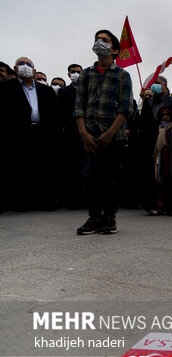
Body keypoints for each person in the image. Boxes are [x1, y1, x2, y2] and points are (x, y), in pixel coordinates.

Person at [74, 29, 133, 235]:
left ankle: (109, 217)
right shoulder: (85, 74)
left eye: (105, 40)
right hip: (89, 137)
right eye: (97, 39)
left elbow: (125, 108)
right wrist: (83, 133)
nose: (100, 43)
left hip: (113, 138)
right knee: (90, 177)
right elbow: (79, 104)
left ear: (115, 49)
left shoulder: (123, 75)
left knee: (111, 178)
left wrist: (109, 134)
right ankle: (93, 217)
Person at [0, 56, 57, 211]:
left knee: (43, 167)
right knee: (20, 168)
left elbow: (54, 114)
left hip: (42, 133)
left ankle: (45, 201)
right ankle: (21, 203)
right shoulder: (5, 88)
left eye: (28, 64)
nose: (25, 66)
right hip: (18, 134)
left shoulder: (46, 89)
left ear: (34, 70)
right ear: (15, 68)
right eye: (21, 64)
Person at [139, 76, 172, 216]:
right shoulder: (148, 103)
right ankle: (155, 204)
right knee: (155, 176)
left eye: (158, 83)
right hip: (153, 146)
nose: (155, 86)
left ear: (165, 86)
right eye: (153, 84)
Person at [57, 63, 84, 209]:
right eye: (73, 72)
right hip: (71, 133)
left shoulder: (88, 90)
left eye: (79, 72)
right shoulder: (63, 92)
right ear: (68, 74)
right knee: (72, 167)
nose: (76, 74)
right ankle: (73, 199)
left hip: (87, 133)